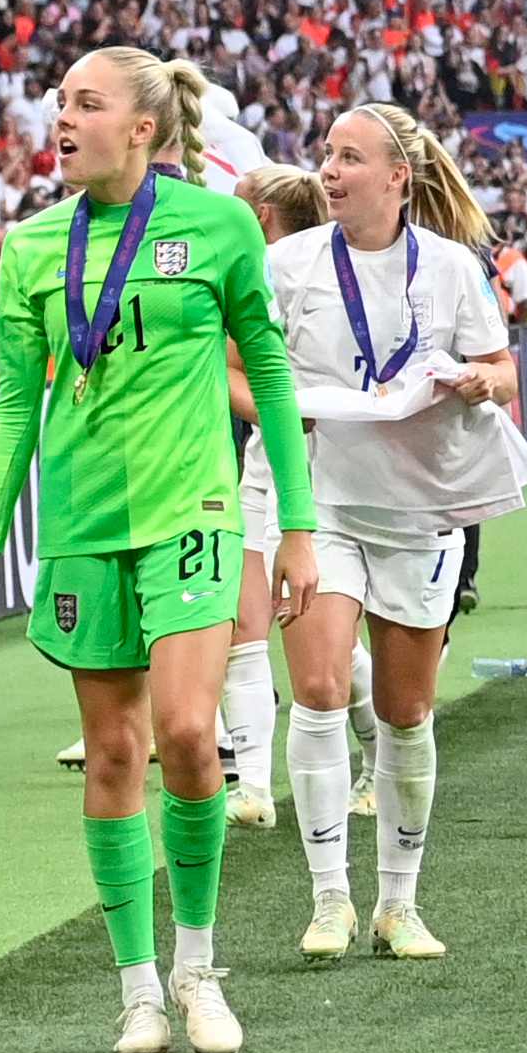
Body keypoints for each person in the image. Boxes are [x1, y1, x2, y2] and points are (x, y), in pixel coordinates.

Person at [0, 48, 316, 1053]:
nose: (62, 118)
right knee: (114, 754)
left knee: (191, 733)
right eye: (60, 102)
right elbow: (17, 406)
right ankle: (138, 989)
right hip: (81, 523)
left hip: (192, 510)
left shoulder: (219, 224)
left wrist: (303, 529)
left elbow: (270, 377)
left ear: (142, 128)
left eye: (85, 104)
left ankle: (197, 968)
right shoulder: (29, 247)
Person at [270, 106, 527, 961]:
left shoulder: (453, 268)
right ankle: (327, 901)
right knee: (315, 688)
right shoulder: (288, 265)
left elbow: (502, 367)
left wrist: (475, 384)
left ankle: (398, 904)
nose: (330, 170)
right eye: (326, 155)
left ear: (397, 177)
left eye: (350, 157)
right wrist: (289, 410)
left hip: (422, 505)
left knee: (406, 708)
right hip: (324, 504)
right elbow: (240, 372)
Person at [220, 165, 333, 827]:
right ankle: (254, 786)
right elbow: (228, 369)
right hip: (264, 468)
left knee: (327, 648)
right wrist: (275, 414)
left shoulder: (322, 272)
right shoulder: (254, 277)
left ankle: (376, 754)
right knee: (244, 625)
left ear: (260, 215)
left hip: (337, 476)